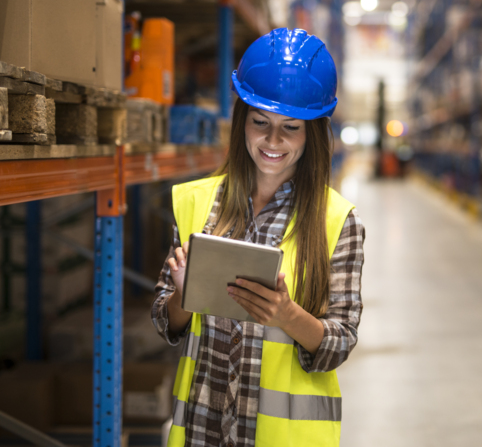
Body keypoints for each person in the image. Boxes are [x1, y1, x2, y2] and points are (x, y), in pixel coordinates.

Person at [152, 28, 365, 447]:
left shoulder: (336, 221)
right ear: (241, 121)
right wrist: (182, 295)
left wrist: (286, 314)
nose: (273, 141)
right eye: (260, 123)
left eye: (291, 128)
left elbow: (340, 342)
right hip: (202, 429)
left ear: (313, 135)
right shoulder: (197, 202)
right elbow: (166, 321)